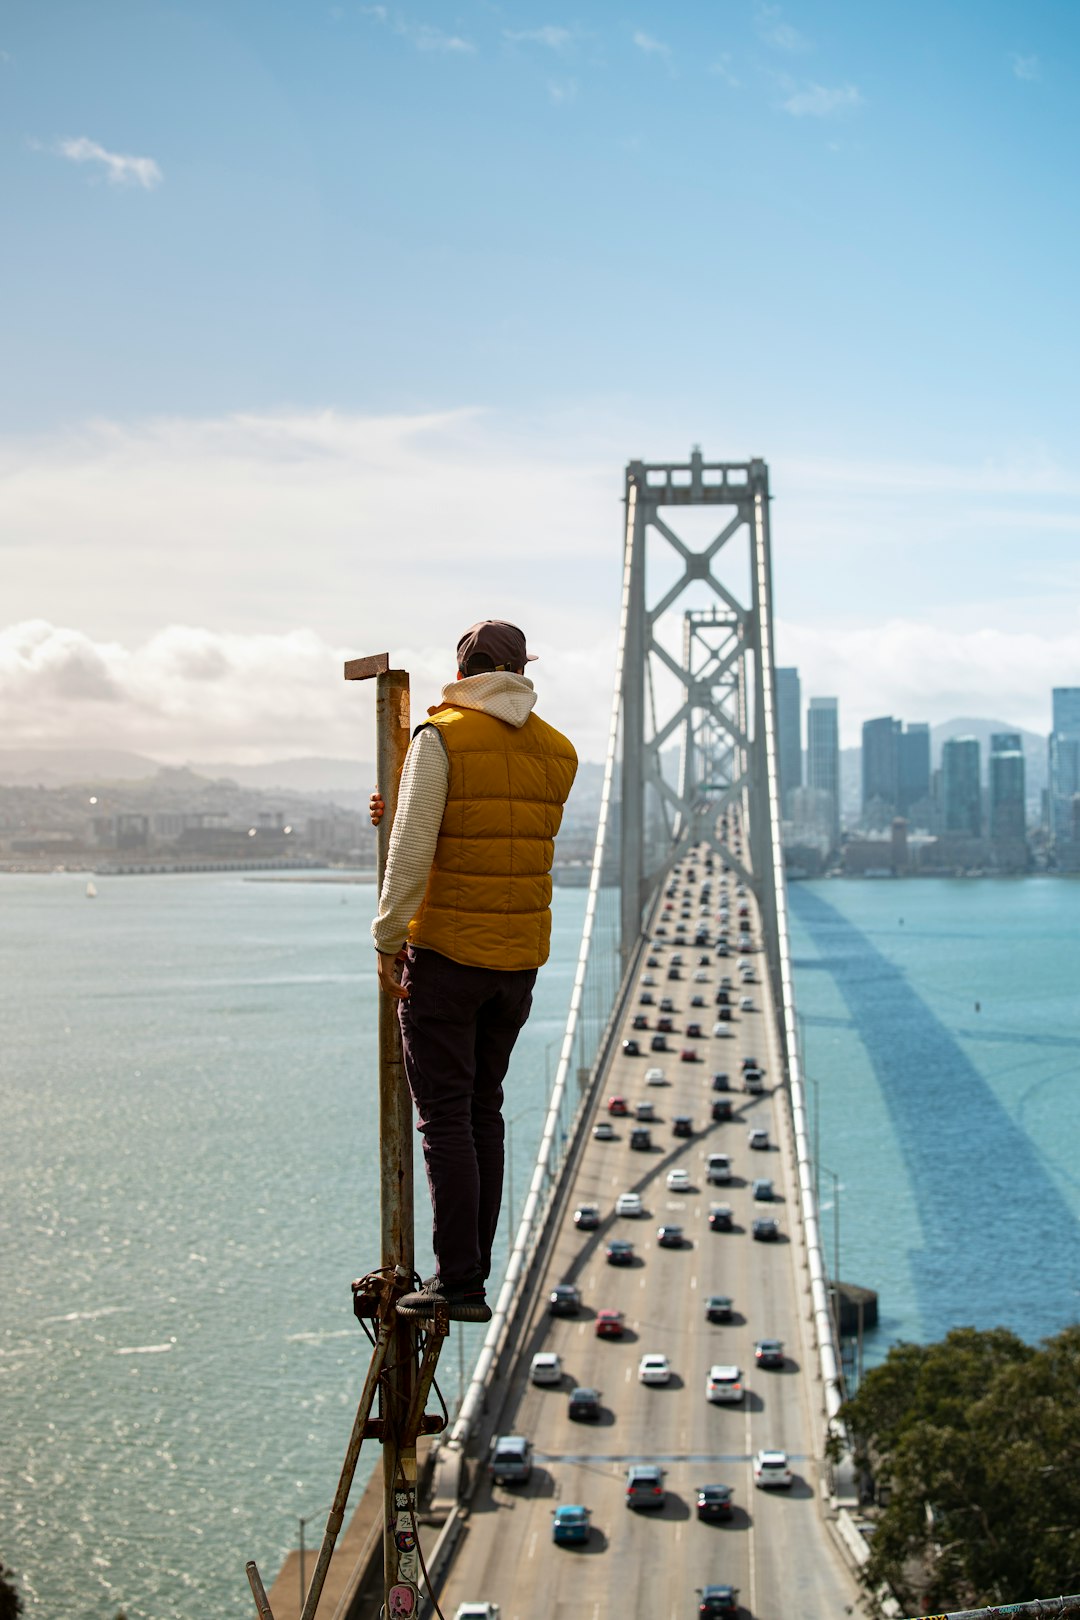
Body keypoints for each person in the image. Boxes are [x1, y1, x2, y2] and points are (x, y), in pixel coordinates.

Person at [369, 620, 577, 1322]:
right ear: (522, 669)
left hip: (448, 960)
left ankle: (458, 1283)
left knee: (445, 1119)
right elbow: (496, 828)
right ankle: (469, 1278)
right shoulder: (559, 753)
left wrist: (387, 937)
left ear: (464, 668)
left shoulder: (442, 737)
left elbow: (416, 846)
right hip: (517, 969)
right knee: (482, 1111)